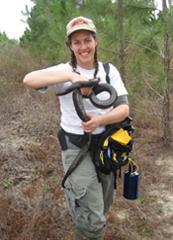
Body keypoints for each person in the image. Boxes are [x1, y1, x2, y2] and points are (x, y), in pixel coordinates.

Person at [23, 16, 129, 240]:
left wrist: (99, 121)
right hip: (75, 147)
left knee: (102, 204)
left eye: (87, 40)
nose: (83, 47)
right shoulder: (63, 70)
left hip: (106, 146)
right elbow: (29, 79)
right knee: (93, 216)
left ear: (96, 41)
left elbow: (124, 110)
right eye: (77, 42)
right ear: (70, 46)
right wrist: (73, 77)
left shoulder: (109, 71)